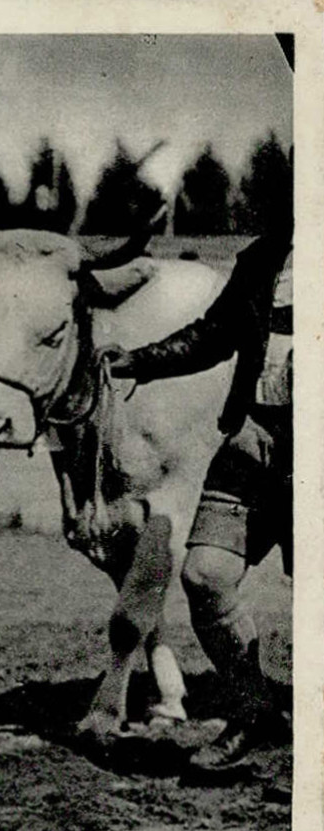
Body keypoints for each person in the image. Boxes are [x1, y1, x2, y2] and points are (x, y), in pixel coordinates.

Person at [103, 229, 292, 771]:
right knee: (205, 575)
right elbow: (216, 333)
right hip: (256, 440)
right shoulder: (266, 255)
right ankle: (255, 716)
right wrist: (139, 360)